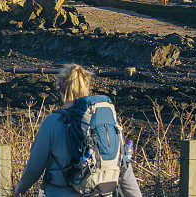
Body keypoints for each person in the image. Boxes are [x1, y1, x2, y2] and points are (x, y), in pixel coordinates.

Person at [13, 64, 142, 197]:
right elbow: (124, 167)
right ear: (86, 87)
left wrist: (21, 188)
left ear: (62, 88)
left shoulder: (53, 121)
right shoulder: (107, 122)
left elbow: (35, 165)